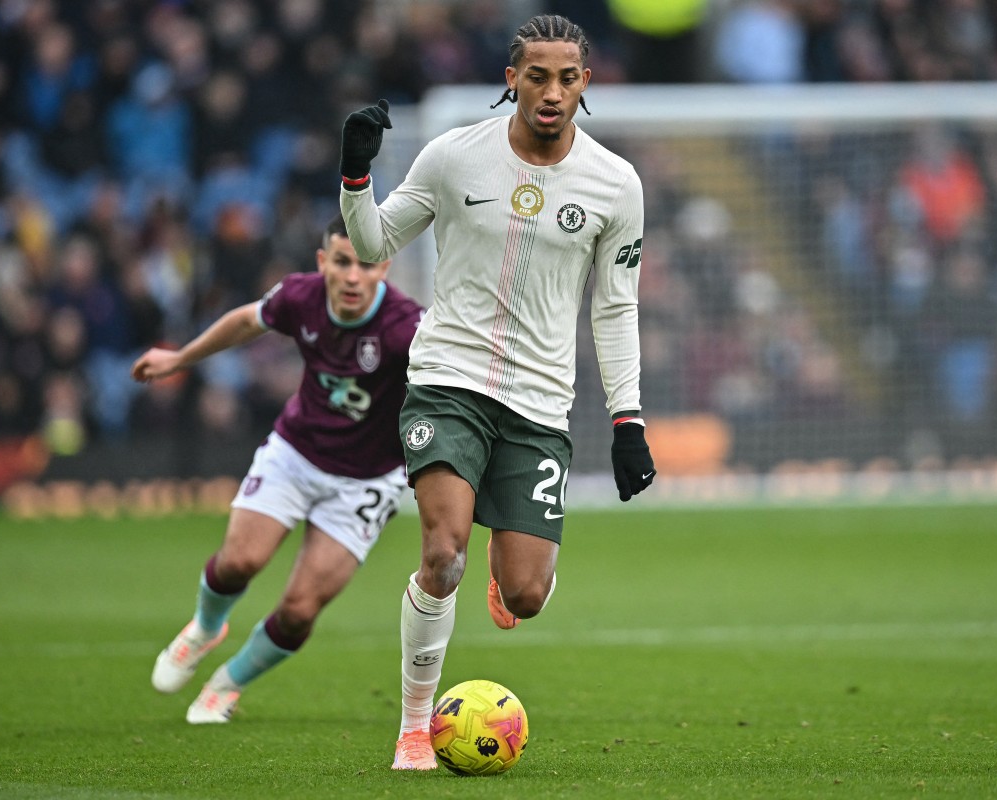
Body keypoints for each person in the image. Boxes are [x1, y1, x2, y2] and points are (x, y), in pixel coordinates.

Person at [338, 13, 657, 770]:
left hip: (539, 404)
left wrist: (628, 420)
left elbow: (615, 307)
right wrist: (355, 176)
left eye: (567, 77)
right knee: (441, 551)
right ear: (510, 78)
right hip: (448, 380)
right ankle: (415, 727)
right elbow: (375, 243)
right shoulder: (454, 156)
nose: (552, 92)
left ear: (587, 83)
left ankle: (504, 557)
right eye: (536, 75)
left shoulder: (616, 185)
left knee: (527, 596)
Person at [131, 214, 424, 724]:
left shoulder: (407, 330)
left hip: (367, 479)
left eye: (368, 264)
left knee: (298, 611)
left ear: (387, 266)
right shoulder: (299, 297)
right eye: (341, 262)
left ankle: (226, 685)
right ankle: (204, 628)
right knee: (238, 563)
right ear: (322, 262)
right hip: (296, 451)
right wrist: (180, 359)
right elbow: (246, 321)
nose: (353, 277)